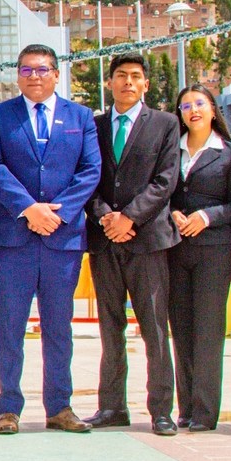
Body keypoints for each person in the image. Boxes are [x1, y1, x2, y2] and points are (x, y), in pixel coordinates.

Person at [0, 44, 101, 435]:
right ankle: (8, 407)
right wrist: (30, 208)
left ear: (56, 74)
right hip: (13, 237)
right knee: (10, 325)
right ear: (18, 75)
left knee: (58, 325)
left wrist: (57, 212)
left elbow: (90, 169)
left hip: (61, 239)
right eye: (27, 70)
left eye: (42, 69)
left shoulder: (80, 116)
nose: (35, 76)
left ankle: (59, 406)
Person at [83, 55, 182, 435]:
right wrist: (106, 215)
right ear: (109, 83)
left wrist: (131, 218)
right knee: (110, 326)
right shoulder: (94, 126)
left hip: (149, 239)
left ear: (146, 85)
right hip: (105, 239)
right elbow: (88, 177)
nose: (128, 82)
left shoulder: (165, 124)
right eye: (121, 76)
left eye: (135, 77)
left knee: (154, 328)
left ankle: (160, 410)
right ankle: (112, 407)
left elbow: (166, 179)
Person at [165, 86, 231, 433]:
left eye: (199, 104)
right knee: (181, 331)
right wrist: (172, 214)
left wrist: (207, 216)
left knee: (208, 331)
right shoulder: (172, 150)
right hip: (175, 249)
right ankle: (186, 408)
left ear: (213, 109)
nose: (192, 110)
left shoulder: (228, 153)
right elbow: (159, 190)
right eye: (185, 106)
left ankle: (205, 411)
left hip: (214, 249)